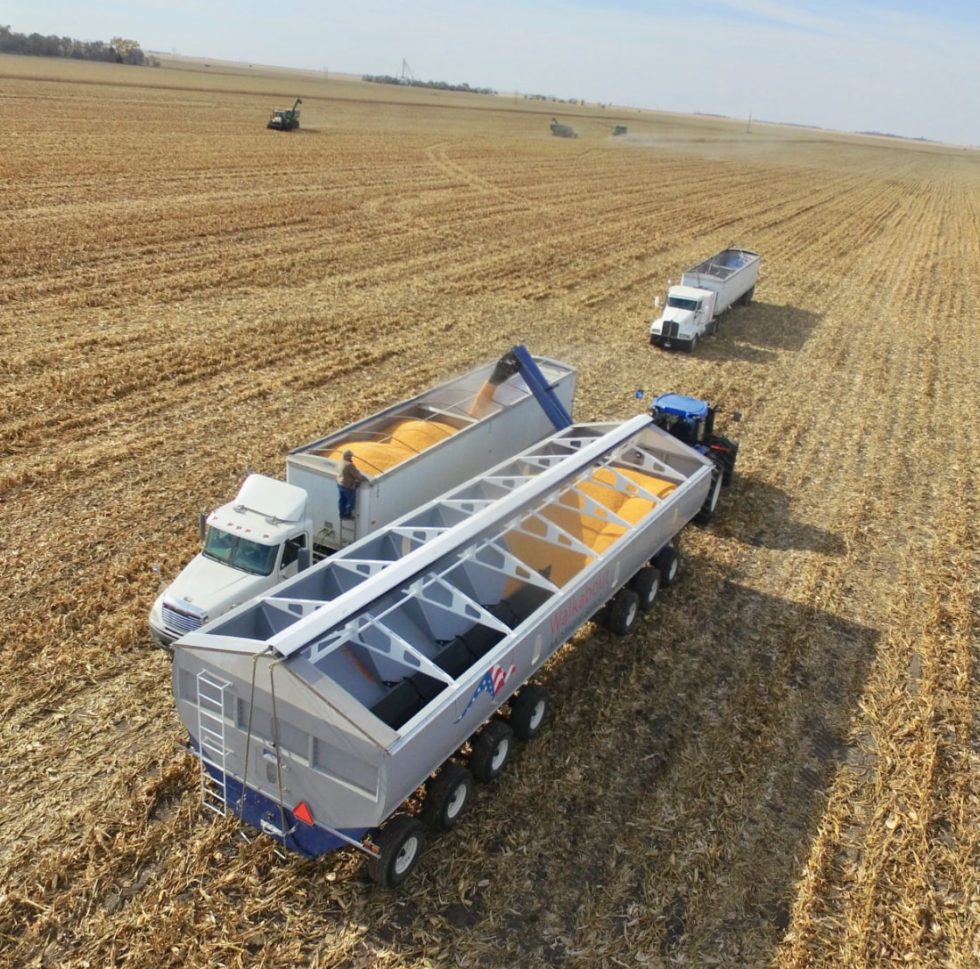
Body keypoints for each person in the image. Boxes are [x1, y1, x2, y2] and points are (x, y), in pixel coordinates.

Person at [338, 449, 367, 519]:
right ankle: (347, 515)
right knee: (350, 502)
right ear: (347, 457)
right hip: (347, 487)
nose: (351, 458)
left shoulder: (340, 462)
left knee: (342, 500)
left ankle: (341, 514)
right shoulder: (349, 465)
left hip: (340, 485)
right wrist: (365, 478)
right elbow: (358, 476)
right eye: (350, 456)